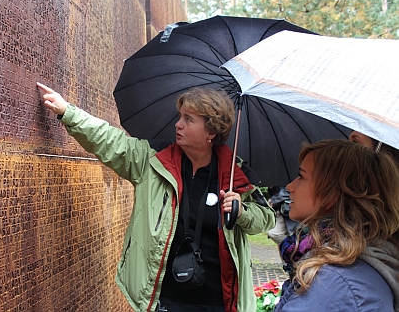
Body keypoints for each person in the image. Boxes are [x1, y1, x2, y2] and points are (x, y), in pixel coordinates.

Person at [38, 82, 276, 312]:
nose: (178, 125)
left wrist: (241, 212)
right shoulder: (153, 160)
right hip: (165, 298)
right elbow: (111, 141)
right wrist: (68, 112)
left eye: (188, 119)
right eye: (180, 116)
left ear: (211, 132)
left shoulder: (235, 174)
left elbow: (266, 218)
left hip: (218, 300)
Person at [274, 139, 399, 312]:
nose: (290, 186)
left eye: (302, 176)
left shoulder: (333, 281)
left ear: (332, 194)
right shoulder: (349, 259)